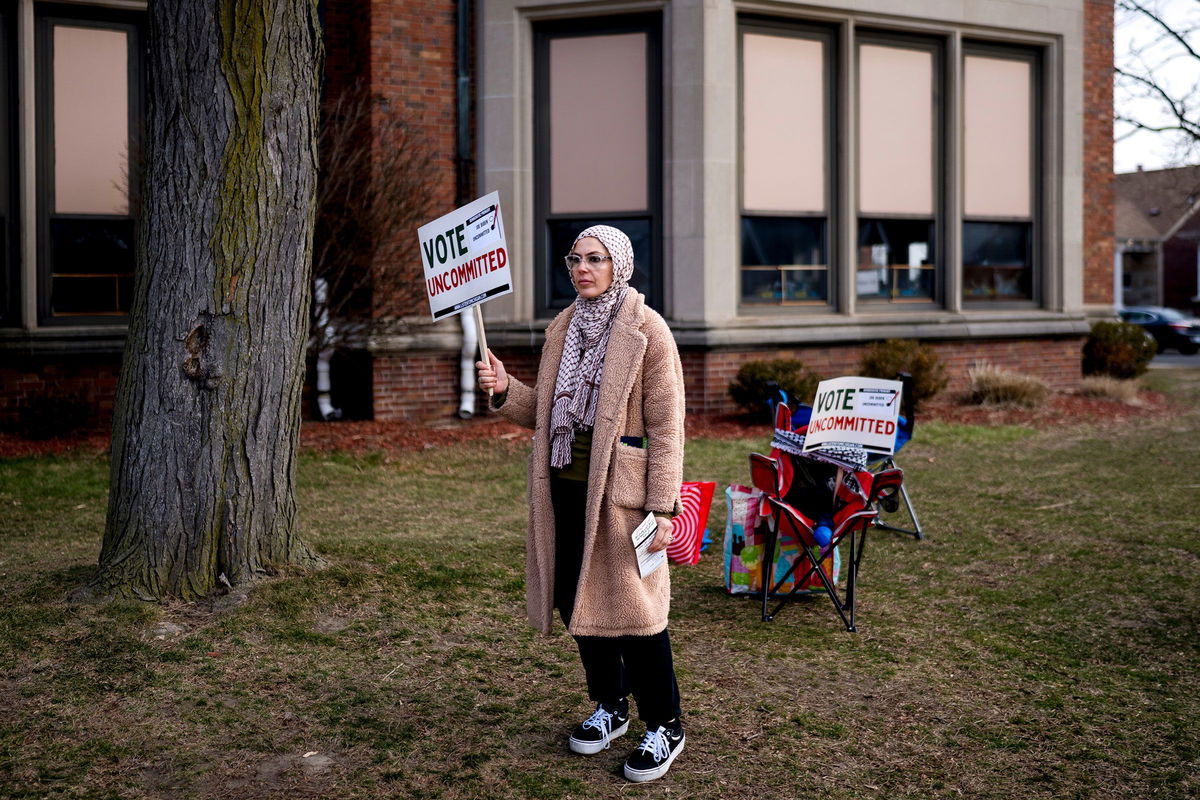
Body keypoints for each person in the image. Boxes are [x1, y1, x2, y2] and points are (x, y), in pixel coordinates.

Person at [476, 225, 686, 783]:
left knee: (636, 613)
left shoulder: (648, 330)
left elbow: (667, 427)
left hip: (621, 496)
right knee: (580, 604)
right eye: (575, 259)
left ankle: (665, 722)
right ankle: (610, 706)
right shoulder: (563, 329)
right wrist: (505, 388)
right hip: (563, 487)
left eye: (595, 259)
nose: (582, 268)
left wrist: (662, 506)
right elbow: (545, 413)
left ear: (619, 264)